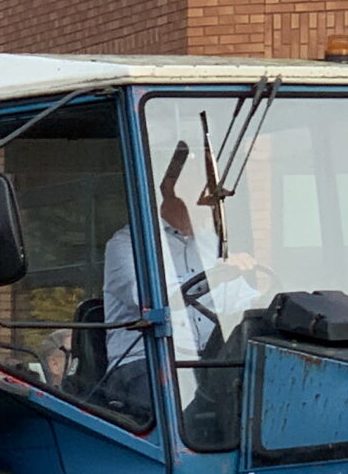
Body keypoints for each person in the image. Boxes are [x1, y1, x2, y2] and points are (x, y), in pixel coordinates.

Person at [99, 142, 263, 419]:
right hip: (144, 361)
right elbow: (154, 300)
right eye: (201, 189)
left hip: (208, 363)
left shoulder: (211, 243)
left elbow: (238, 300)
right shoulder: (127, 244)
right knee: (186, 414)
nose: (211, 200)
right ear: (167, 187)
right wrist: (216, 277)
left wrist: (268, 297)